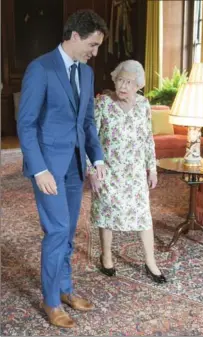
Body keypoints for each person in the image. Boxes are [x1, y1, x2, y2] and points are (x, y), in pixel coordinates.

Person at [17, 10, 108, 328]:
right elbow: (26, 124)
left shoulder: (85, 73)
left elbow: (87, 123)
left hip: (75, 165)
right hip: (48, 167)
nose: (95, 53)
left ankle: (66, 289)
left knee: (68, 232)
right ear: (75, 37)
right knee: (56, 231)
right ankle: (52, 300)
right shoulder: (40, 68)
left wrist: (96, 159)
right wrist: (39, 169)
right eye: (93, 45)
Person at [88, 60, 167, 283]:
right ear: (114, 80)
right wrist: (91, 169)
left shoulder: (143, 105)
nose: (123, 86)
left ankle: (150, 262)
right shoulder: (103, 103)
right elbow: (91, 137)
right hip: (108, 170)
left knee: (143, 215)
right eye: (120, 80)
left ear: (138, 85)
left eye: (129, 82)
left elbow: (147, 139)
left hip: (134, 172)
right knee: (107, 212)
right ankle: (106, 257)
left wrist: (152, 169)